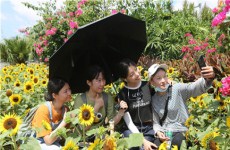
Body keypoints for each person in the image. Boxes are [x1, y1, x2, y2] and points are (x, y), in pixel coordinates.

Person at [148, 63, 215, 149]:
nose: (163, 80)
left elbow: (193, 88)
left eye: (165, 76)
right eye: (158, 78)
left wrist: (208, 78)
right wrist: (158, 132)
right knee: (154, 147)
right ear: (152, 82)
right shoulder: (154, 99)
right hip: (166, 132)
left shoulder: (177, 89)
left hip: (181, 130)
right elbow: (156, 123)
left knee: (177, 143)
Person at [74, 65, 128, 139]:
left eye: (103, 79)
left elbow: (111, 123)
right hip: (84, 139)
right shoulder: (80, 100)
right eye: (98, 80)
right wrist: (96, 107)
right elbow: (84, 128)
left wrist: (121, 112)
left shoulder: (107, 97)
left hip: (101, 136)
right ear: (89, 83)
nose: (102, 83)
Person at [116, 58, 158, 150]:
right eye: (131, 74)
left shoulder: (147, 86)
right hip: (131, 130)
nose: (137, 74)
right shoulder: (123, 94)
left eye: (136, 69)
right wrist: (143, 141)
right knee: (135, 146)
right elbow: (129, 123)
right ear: (125, 79)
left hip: (148, 129)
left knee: (148, 148)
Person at [31, 78, 72, 150]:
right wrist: (65, 121)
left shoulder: (65, 109)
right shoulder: (43, 109)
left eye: (69, 89)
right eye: (65, 91)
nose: (69, 93)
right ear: (55, 95)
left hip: (55, 143)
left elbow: (69, 133)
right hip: (38, 144)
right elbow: (48, 141)